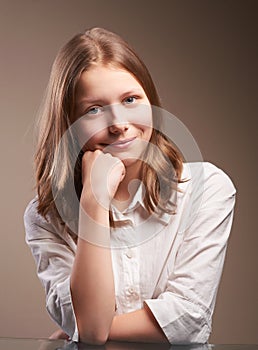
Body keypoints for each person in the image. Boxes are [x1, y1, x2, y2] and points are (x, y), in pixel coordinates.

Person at [24, 27, 236, 345]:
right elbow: (92, 329)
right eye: (93, 110)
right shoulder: (44, 218)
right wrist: (94, 201)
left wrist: (85, 327)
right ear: (68, 124)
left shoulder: (206, 188)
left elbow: (189, 317)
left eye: (130, 99)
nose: (119, 124)